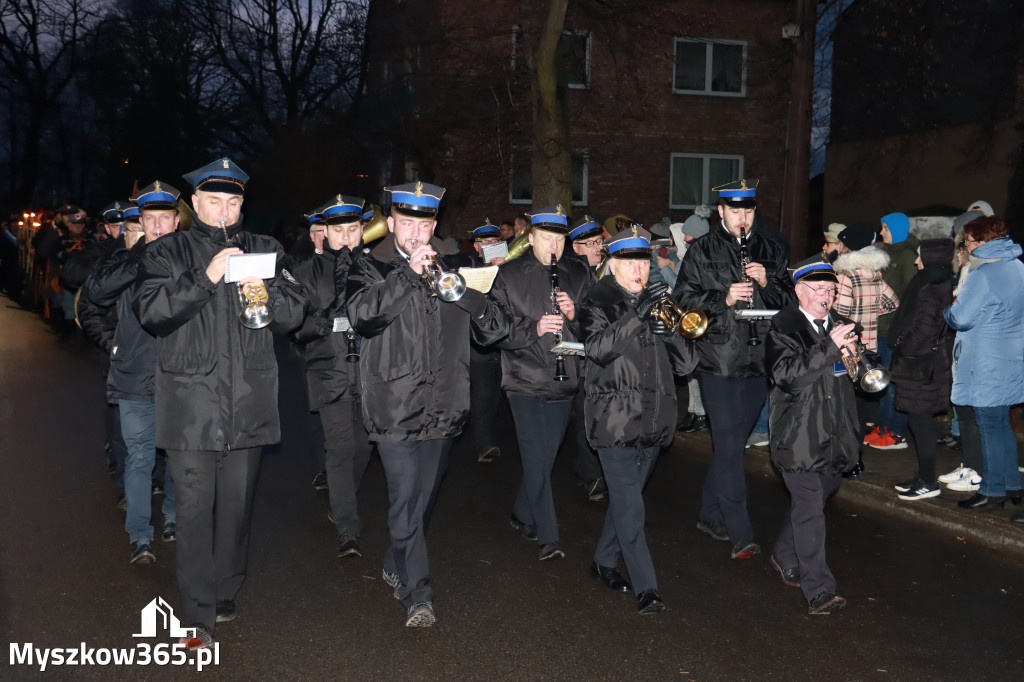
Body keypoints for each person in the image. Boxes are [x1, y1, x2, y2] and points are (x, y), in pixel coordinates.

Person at [134, 158, 305, 649]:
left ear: (242, 204)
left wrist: (268, 294)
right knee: (192, 511)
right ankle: (197, 611)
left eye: (233, 202)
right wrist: (207, 277)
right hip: (191, 405)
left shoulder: (266, 248)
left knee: (236, 507)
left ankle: (227, 588)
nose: (225, 211)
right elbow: (152, 313)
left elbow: (296, 314)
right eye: (214, 202)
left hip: (248, 400)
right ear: (194, 204)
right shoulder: (167, 252)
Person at [346, 181, 509, 628]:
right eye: (408, 222)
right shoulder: (368, 264)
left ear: (434, 225)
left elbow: (495, 330)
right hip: (393, 404)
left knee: (422, 499)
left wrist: (468, 296)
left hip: (445, 403)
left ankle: (395, 557)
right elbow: (363, 317)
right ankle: (418, 593)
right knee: (404, 496)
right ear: (393, 222)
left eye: (425, 223)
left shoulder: (457, 265)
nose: (417, 232)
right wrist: (407, 274)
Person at [672, 179, 793, 559]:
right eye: (735, 211)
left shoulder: (770, 249)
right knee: (727, 445)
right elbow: (682, 301)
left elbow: (790, 301)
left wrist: (768, 281)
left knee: (732, 446)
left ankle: (709, 513)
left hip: (760, 359)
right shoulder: (701, 250)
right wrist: (723, 298)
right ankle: (740, 531)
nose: (743, 218)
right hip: (718, 358)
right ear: (721, 211)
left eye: (749, 211)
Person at [579, 226, 696, 615]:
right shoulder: (595, 299)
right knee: (631, 506)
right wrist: (637, 317)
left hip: (654, 417)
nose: (639, 271)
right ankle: (647, 587)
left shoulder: (660, 301)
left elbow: (688, 363)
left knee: (626, 502)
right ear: (613, 265)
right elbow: (596, 350)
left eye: (643, 262)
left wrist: (672, 334)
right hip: (613, 419)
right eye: (630, 263)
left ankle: (603, 560)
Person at [490, 204, 596, 561]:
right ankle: (548, 536)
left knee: (544, 459)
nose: (554, 246)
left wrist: (573, 315)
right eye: (546, 238)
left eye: (559, 239)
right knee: (536, 456)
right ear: (531, 237)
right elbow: (493, 329)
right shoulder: (508, 275)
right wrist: (533, 328)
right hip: (523, 378)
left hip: (565, 379)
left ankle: (521, 513)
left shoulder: (578, 274)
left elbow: (597, 327)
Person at [91, 182, 181, 563]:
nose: (158, 226)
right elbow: (96, 294)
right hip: (134, 377)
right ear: (140, 223)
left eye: (165, 218)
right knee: (140, 457)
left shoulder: (191, 259)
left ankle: (173, 516)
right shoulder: (124, 259)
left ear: (177, 221)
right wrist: (139, 254)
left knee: (179, 456)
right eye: (150, 220)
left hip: (180, 376)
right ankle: (140, 536)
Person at [766, 256, 859, 615]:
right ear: (799, 291)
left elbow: (854, 375)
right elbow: (788, 376)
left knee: (821, 495)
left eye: (831, 290)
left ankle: (784, 553)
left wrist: (858, 359)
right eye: (818, 289)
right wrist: (831, 348)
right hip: (798, 433)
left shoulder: (840, 325)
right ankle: (818, 588)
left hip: (835, 431)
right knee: (809, 509)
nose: (826, 296)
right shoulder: (783, 327)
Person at [286, 195, 374, 557]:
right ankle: (347, 529)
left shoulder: (375, 268)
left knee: (365, 448)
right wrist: (324, 322)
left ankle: (342, 503)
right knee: (339, 448)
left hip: (371, 374)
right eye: (339, 231)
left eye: (353, 230)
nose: (347, 238)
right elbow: (292, 326)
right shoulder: (308, 272)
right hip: (329, 372)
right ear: (326, 234)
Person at [943, 215, 1024, 511]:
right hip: (1012, 358)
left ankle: (992, 490)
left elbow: (961, 318)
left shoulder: (983, 274)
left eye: (968, 241)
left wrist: (948, 310)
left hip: (985, 361)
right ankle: (1013, 485)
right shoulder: (1017, 266)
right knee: (1001, 424)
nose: (966, 246)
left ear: (982, 242)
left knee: (989, 425)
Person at [890, 238, 955, 500]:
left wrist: (903, 346)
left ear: (931, 257)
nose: (917, 261)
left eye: (920, 256)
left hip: (922, 365)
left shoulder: (931, 287)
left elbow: (925, 329)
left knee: (921, 423)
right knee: (920, 422)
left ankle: (929, 482)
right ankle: (923, 476)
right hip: (930, 362)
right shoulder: (941, 282)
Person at [832, 222, 900, 454]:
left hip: (848, 350)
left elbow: (838, 315)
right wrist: (869, 314)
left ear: (848, 246)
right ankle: (857, 453)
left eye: (841, 243)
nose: (838, 247)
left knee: (843, 404)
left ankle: (845, 453)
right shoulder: (875, 274)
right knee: (861, 404)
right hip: (869, 348)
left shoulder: (844, 275)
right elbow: (893, 303)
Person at [466, 220, 507, 463]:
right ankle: (484, 443)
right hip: (478, 344)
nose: (491, 246)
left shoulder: (510, 269)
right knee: (481, 394)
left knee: (494, 395)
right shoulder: (469, 268)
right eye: (486, 243)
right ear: (476, 247)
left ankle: (486, 434)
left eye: (495, 242)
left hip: (502, 344)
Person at [875, 211, 918, 446]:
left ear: (897, 229)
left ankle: (897, 432)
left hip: (895, 329)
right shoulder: (887, 254)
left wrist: (904, 327)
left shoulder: (907, 256)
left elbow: (912, 294)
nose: (881, 232)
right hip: (881, 328)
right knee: (882, 382)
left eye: (885, 228)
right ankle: (883, 428)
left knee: (894, 384)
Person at [672, 207, 711, 434]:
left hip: (700, 316)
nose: (685, 242)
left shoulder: (699, 254)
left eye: (689, 238)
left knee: (695, 369)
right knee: (690, 371)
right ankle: (694, 412)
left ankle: (700, 414)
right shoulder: (697, 250)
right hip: (693, 315)